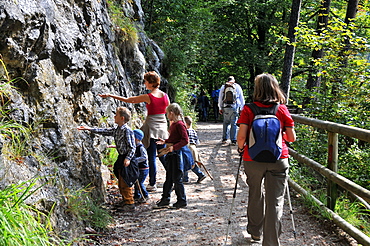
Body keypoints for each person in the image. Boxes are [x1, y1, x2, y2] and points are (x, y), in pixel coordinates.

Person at [236, 73, 296, 245]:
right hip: (279, 159)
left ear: (257, 89)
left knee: (255, 194)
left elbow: (241, 137)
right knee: (275, 201)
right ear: (275, 87)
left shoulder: (248, 109)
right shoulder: (282, 109)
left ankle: (255, 232)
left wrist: (241, 148)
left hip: (252, 159)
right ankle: (270, 242)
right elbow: (291, 138)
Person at [99, 71, 169, 192]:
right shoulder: (165, 96)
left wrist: (110, 95)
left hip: (152, 125)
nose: (144, 83)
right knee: (162, 153)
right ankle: (173, 176)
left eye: (146, 81)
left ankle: (152, 183)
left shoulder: (149, 96)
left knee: (151, 156)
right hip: (162, 125)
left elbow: (129, 100)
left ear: (151, 83)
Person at [77, 107, 137, 212]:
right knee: (120, 178)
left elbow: (132, 147)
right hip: (121, 157)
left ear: (122, 118)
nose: (114, 117)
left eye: (116, 115)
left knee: (126, 181)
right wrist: (89, 129)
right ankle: (125, 200)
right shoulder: (118, 129)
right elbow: (105, 131)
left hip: (127, 159)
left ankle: (130, 203)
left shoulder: (127, 131)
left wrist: (128, 158)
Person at [154, 103, 193, 209]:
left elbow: (185, 140)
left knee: (177, 179)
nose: (166, 115)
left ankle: (181, 200)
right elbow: (175, 138)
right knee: (169, 178)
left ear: (171, 113)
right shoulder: (175, 124)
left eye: (167, 113)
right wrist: (165, 142)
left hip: (177, 155)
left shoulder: (180, 124)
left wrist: (173, 147)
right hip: (173, 154)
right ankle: (165, 199)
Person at [218, 76, 245, 145]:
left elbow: (220, 97)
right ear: (234, 81)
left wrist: (220, 107)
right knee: (234, 123)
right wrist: (242, 108)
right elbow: (241, 97)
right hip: (234, 107)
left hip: (225, 107)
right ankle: (233, 140)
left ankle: (224, 139)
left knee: (226, 123)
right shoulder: (237, 86)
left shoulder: (223, 87)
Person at [183, 116, 206, 184]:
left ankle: (185, 178)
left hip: (188, 147)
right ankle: (200, 174)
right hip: (194, 147)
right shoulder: (193, 131)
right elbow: (197, 141)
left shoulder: (186, 131)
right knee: (192, 163)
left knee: (185, 162)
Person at [132, 129, 149, 203]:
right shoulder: (134, 146)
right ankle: (137, 196)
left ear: (136, 138)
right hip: (138, 168)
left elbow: (144, 157)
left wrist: (135, 160)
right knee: (136, 182)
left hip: (143, 169)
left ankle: (145, 195)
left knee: (140, 182)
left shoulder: (140, 147)